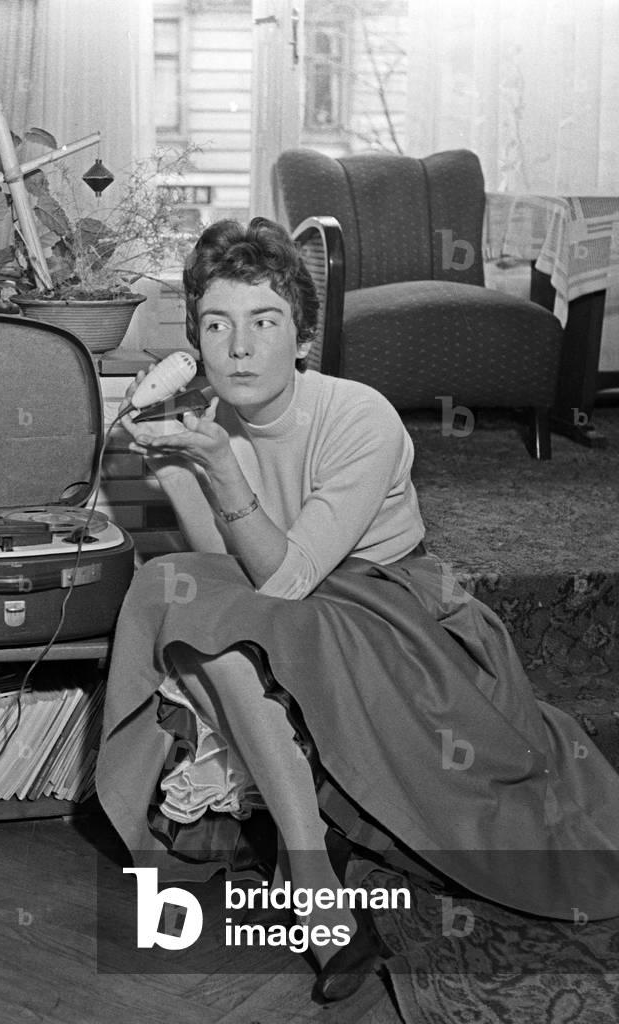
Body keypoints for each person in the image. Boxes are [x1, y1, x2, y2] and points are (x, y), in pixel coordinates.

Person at [95, 217, 619, 1002]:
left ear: (302, 338)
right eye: (217, 325)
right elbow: (223, 566)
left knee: (207, 613)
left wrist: (221, 472)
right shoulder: (211, 425)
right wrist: (173, 470)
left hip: (402, 618)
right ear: (195, 341)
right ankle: (316, 890)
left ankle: (307, 869)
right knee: (175, 591)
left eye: (264, 322)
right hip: (292, 612)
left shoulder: (361, 415)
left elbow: (287, 579)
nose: (239, 348)